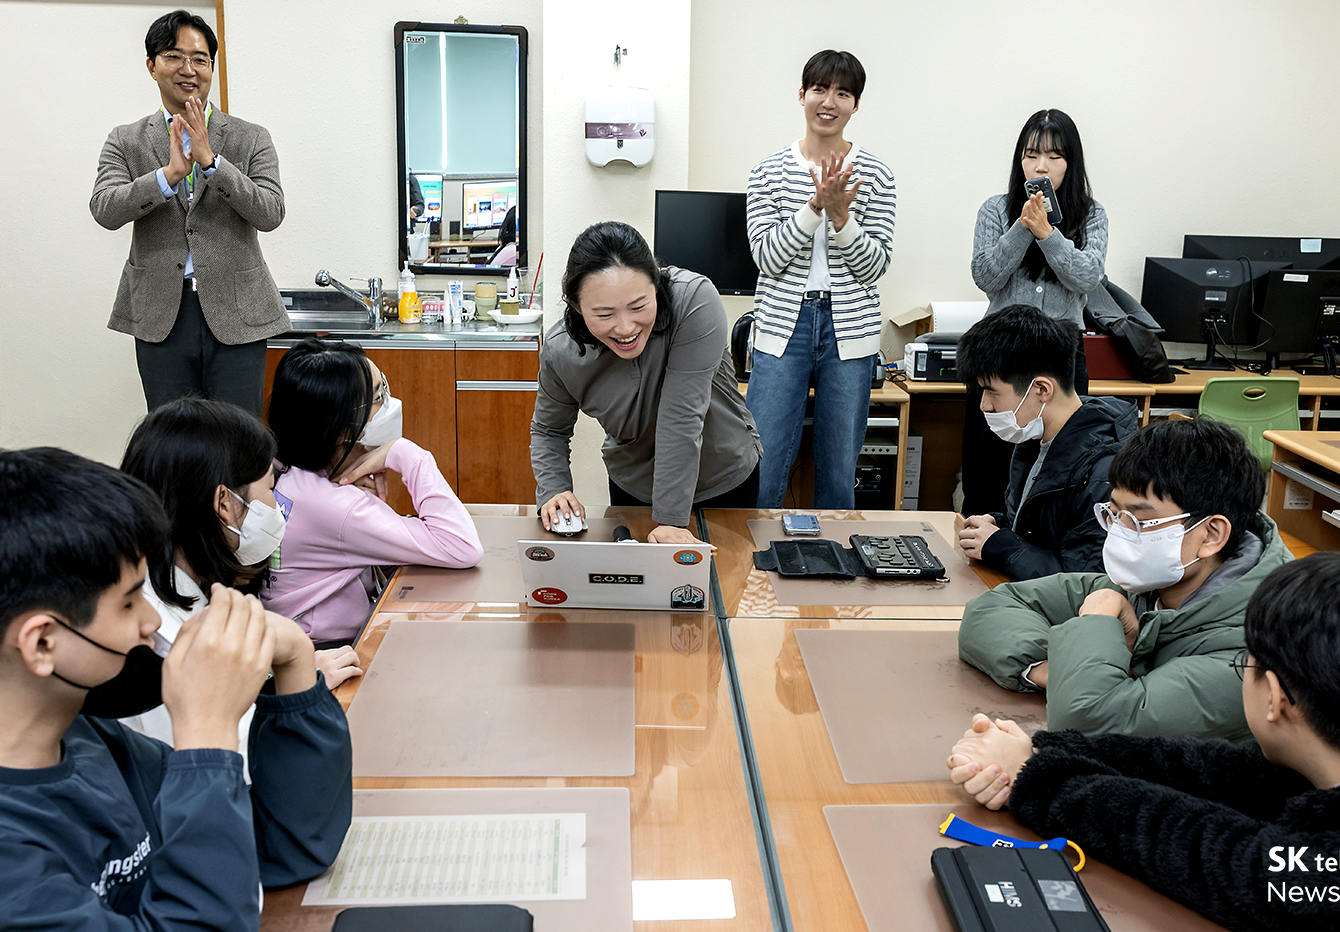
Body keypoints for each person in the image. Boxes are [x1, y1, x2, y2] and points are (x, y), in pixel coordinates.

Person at [946, 552, 1340, 931]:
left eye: (1245, 665)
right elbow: (1217, 771)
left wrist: (1038, 780)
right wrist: (1041, 751)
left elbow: (1227, 860)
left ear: (1278, 699)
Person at [0, 447, 351, 927]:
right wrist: (206, 727)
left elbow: (282, 846)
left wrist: (293, 664)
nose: (151, 622)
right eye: (128, 605)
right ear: (41, 642)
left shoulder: (94, 743)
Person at [957, 417, 1291, 739]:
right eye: (1115, 515)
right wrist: (1052, 669)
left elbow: (1087, 720)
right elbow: (988, 610)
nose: (1119, 534)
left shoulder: (1252, 654)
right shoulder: (1149, 587)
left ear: (1211, 535)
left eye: (1139, 521)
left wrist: (1097, 621)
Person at [119, 399, 363, 749]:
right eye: (269, 487)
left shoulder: (168, 587)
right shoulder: (160, 634)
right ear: (225, 503)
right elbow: (230, 757)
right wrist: (297, 685)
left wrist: (283, 678)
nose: (276, 504)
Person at [90, 10, 288, 416]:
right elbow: (105, 208)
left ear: (212, 67)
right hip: (161, 313)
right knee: (174, 444)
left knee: (240, 441)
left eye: (200, 59)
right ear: (152, 65)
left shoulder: (251, 137)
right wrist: (167, 176)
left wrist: (213, 163)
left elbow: (270, 212)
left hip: (240, 314)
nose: (189, 69)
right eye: (174, 57)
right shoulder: (125, 140)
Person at [531, 221, 763, 545]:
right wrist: (554, 488)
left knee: (724, 586)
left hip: (723, 477)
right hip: (635, 486)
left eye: (639, 306)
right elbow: (549, 430)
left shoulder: (693, 300)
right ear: (575, 306)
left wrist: (669, 521)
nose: (625, 327)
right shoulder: (561, 351)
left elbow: (681, 417)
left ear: (656, 281)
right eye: (604, 314)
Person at [745, 49, 897, 509]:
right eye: (819, 90)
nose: (829, 101)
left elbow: (874, 267)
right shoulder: (768, 172)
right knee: (761, 463)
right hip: (780, 328)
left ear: (856, 104)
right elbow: (767, 259)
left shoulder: (877, 175)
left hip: (849, 331)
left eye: (843, 92)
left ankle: (835, 577)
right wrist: (814, 208)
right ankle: (749, 572)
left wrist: (842, 216)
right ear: (802, 95)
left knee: (838, 470)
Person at [263, 338, 484, 645]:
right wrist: (408, 454)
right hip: (325, 650)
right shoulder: (338, 507)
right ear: (338, 429)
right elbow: (461, 546)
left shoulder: (283, 470)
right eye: (378, 398)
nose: (390, 405)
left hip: (288, 636)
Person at [963, 109, 1107, 516]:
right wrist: (1023, 227)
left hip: (1061, 361)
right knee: (987, 471)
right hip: (1000, 359)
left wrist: (1048, 233)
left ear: (1071, 162)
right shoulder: (995, 210)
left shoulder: (1092, 215)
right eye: (1031, 155)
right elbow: (986, 275)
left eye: (1054, 156)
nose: (1040, 166)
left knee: (1056, 468)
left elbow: (1087, 277)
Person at [954, 304, 1136, 579]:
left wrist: (1000, 546)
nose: (984, 406)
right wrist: (996, 525)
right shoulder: (1034, 440)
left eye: (992, 393)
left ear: (1041, 389)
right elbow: (1039, 532)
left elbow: (1083, 582)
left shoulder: (1105, 476)